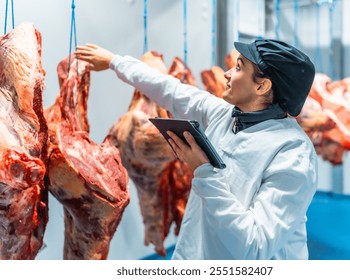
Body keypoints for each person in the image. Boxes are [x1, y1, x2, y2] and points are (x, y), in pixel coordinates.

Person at [75, 39, 318, 260]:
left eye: (239, 67)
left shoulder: (292, 153)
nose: (227, 73)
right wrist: (114, 62)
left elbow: (253, 246)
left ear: (262, 86)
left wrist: (204, 171)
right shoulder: (226, 115)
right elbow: (171, 90)